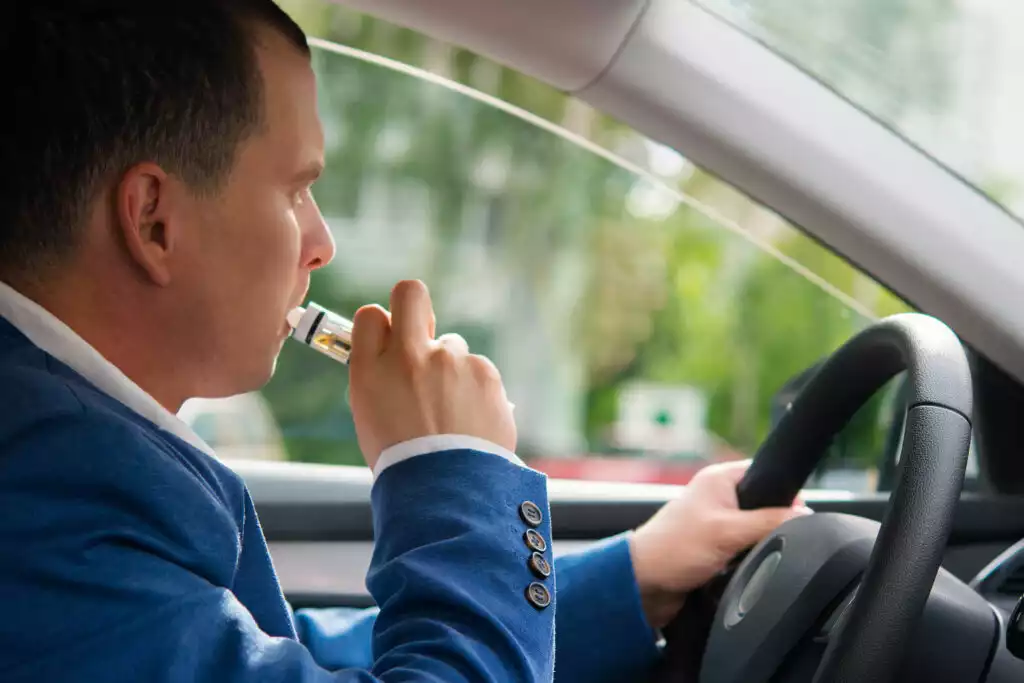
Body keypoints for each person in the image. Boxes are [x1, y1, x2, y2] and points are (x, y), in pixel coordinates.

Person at [0, 2, 808, 681]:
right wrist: (453, 468)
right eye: (295, 191)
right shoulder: (45, 501)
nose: (320, 245)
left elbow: (277, 658)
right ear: (154, 221)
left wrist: (634, 575)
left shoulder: (63, 459)